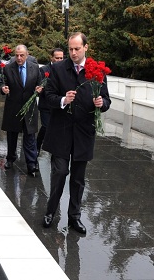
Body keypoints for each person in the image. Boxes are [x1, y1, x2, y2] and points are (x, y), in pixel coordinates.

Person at [42, 32, 111, 234]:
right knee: (60, 172)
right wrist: (63, 100)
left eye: (77, 49)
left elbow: (106, 100)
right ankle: (50, 212)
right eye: (70, 49)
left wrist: (101, 103)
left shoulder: (96, 71)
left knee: (78, 179)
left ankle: (74, 217)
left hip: (83, 133)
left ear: (85, 48)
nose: (72, 53)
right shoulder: (57, 69)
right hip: (61, 131)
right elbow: (48, 96)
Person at [0, 44, 42, 176]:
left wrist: (39, 89)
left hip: (29, 108)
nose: (19, 58)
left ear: (27, 55)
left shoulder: (35, 68)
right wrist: (3, 88)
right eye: (17, 55)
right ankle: (10, 159)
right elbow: (2, 82)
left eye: (22, 55)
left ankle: (31, 164)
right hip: (13, 107)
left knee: (29, 136)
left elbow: (40, 84)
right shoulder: (8, 68)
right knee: (12, 135)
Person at [36, 48, 64, 154]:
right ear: (51, 58)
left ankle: (55, 149)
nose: (59, 60)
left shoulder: (65, 69)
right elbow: (41, 85)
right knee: (46, 127)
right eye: (57, 58)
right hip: (46, 105)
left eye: (61, 58)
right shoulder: (44, 70)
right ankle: (37, 145)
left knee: (57, 129)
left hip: (59, 104)